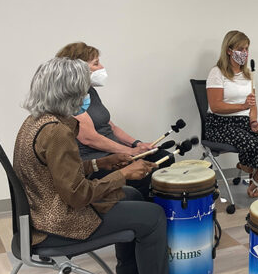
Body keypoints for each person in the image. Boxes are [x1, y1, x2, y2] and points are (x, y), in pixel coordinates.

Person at [14, 57, 195, 274]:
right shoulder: (57, 132)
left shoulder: (35, 121)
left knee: (132, 196)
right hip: (59, 224)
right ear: (70, 92)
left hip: (42, 215)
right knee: (153, 216)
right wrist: (122, 174)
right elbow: (76, 195)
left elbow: (56, 174)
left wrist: (102, 162)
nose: (87, 96)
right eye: (84, 90)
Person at [55, 42, 172, 199]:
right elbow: (89, 138)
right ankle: (146, 213)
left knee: (164, 157)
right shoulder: (69, 97)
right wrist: (129, 152)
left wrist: (137, 144)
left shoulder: (90, 92)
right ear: (79, 67)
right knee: (144, 173)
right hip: (98, 160)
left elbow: (112, 127)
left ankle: (162, 211)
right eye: (96, 63)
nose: (101, 67)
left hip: (115, 152)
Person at [205, 30, 258, 198]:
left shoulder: (248, 75)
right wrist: (242, 106)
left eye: (247, 49)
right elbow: (216, 106)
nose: (245, 53)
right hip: (220, 125)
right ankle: (245, 165)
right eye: (241, 49)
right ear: (229, 50)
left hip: (244, 124)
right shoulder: (217, 73)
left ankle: (255, 183)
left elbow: (252, 105)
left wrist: (253, 121)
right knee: (252, 144)